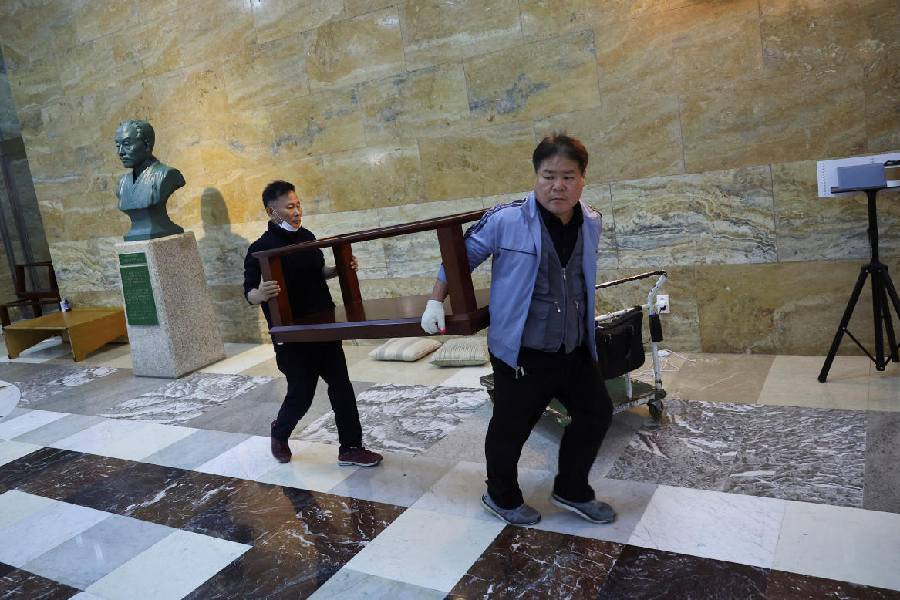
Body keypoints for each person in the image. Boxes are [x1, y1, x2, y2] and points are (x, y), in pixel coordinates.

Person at [420, 133, 615, 526]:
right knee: (511, 428)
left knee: (596, 413)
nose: (557, 186)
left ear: (582, 179)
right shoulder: (506, 219)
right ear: (535, 176)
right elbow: (458, 260)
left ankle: (572, 489)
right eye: (548, 176)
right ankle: (501, 495)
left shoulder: (591, 221)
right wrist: (435, 300)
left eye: (568, 176)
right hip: (522, 349)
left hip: (573, 345)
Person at [244, 180, 383, 468]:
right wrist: (261, 294)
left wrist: (340, 268)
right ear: (272, 211)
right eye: (289, 207)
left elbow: (317, 272)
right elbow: (249, 293)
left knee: (341, 386)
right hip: (291, 334)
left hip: (324, 325)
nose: (297, 212)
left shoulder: (308, 236)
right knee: (302, 392)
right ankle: (280, 432)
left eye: (298, 205)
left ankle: (351, 448)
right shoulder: (261, 248)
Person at [114, 119, 185, 241]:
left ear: (146, 145)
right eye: (118, 145)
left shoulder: (165, 175)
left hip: (159, 228)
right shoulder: (123, 183)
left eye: (127, 144)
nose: (120, 152)